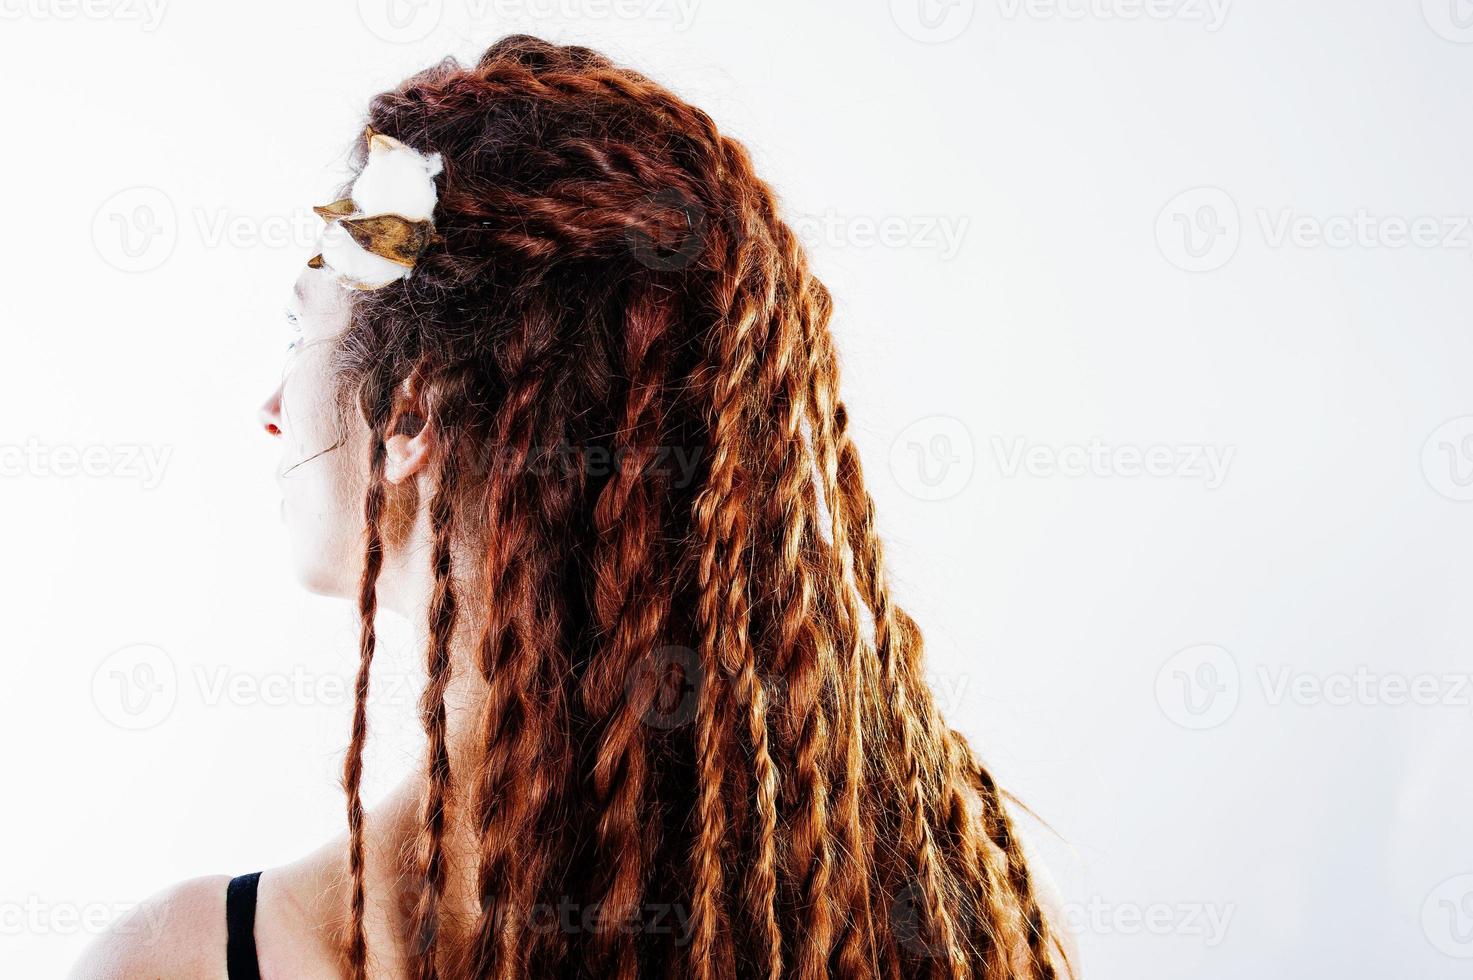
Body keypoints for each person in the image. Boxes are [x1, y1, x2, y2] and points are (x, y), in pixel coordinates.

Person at [71, 34, 1073, 980]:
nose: (273, 407)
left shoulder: (187, 959)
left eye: (303, 334)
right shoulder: (941, 927)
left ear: (411, 404)